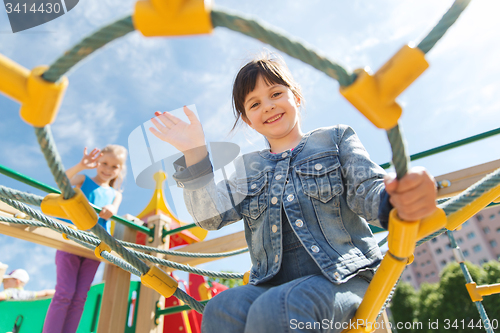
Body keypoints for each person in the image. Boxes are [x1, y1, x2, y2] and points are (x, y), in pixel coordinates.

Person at [149, 53, 437, 333]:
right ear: (248, 119)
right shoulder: (248, 168)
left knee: (280, 306)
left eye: (275, 94)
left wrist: (397, 198)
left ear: (296, 97)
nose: (268, 106)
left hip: (342, 276)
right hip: (271, 285)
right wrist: (194, 153)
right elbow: (209, 216)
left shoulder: (334, 139)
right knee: (221, 309)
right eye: (255, 103)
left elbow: (367, 189)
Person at [42, 145, 127, 333]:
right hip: (72, 239)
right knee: (65, 292)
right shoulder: (84, 180)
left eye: (114, 166)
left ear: (120, 170)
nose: (107, 169)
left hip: (94, 246)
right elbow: (61, 182)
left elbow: (113, 208)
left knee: (80, 297)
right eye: (104, 163)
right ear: (97, 163)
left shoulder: (116, 194)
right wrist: (81, 165)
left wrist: (112, 210)